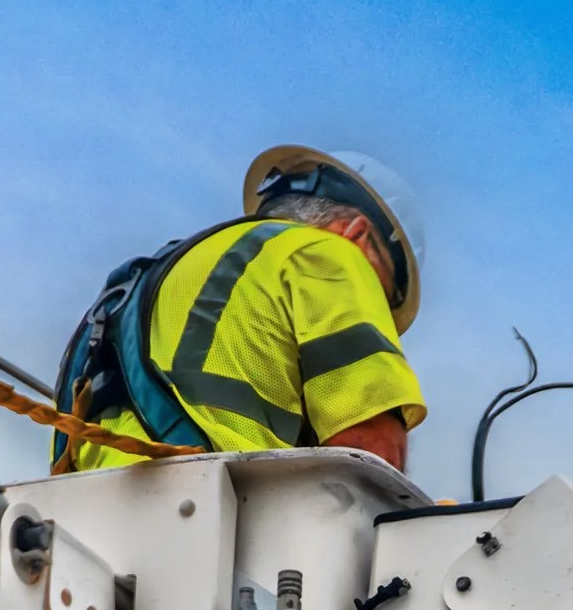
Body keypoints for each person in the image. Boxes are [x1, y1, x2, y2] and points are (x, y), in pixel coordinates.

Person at [52, 146, 426, 473]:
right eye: (382, 291)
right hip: (214, 519)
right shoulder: (331, 253)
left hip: (84, 521)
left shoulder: (164, 273)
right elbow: (370, 451)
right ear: (357, 234)